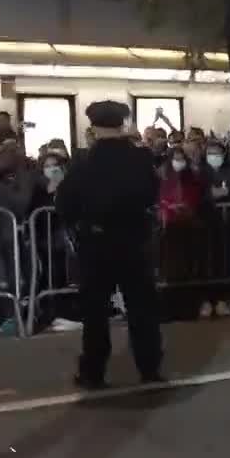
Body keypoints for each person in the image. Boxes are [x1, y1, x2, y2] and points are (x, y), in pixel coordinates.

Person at [56, 101, 163, 389]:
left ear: (94, 126)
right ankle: (149, 367)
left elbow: (65, 202)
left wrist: (79, 224)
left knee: (95, 312)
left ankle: (93, 371)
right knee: (141, 308)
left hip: (97, 242)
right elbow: (152, 193)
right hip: (134, 240)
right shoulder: (140, 158)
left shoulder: (83, 161)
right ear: (121, 124)